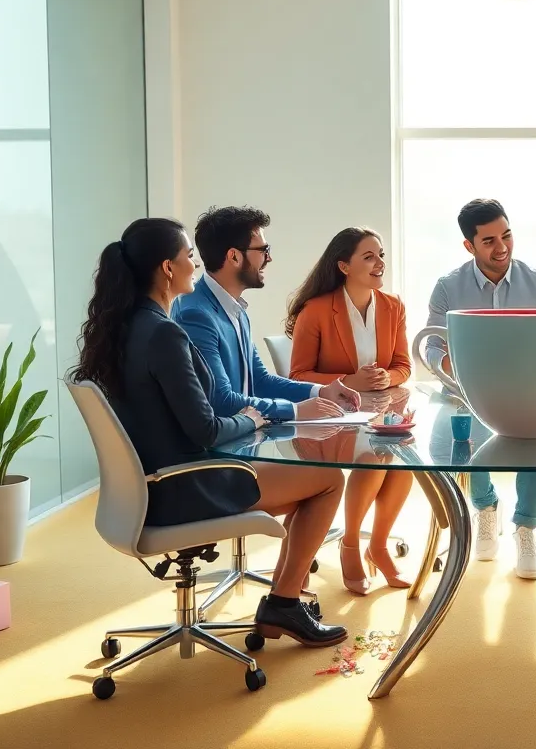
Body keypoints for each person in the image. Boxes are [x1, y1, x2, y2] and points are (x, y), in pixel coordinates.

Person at [70, 217, 349, 647]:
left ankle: (284, 601)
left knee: (304, 487)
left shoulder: (124, 328)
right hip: (183, 487)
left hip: (147, 486)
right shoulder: (166, 333)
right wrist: (254, 420)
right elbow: (207, 427)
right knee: (329, 480)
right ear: (167, 268)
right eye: (188, 258)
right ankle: (284, 603)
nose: (193, 266)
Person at [423, 198, 536, 579]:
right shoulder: (448, 288)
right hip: (466, 396)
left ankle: (525, 526)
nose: (501, 247)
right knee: (457, 434)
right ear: (469, 246)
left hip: (529, 395)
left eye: (506, 235)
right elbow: (432, 348)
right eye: (488, 241)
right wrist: (461, 372)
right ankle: (485, 507)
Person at [286, 227, 414, 595]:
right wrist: (353, 381)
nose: (380, 263)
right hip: (330, 421)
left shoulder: (393, 306)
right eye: (369, 256)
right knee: (375, 458)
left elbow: (404, 365)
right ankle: (351, 545)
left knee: (404, 461)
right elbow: (298, 375)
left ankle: (378, 545)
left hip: (378, 413)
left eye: (381, 255)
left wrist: (383, 376)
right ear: (343, 265)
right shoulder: (316, 310)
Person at [172, 205, 360, 423]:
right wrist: (295, 411)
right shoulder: (196, 314)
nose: (269, 258)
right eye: (263, 250)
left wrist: (320, 392)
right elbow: (220, 401)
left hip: (246, 435)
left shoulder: (235, 309)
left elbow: (259, 381)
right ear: (234, 256)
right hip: (223, 449)